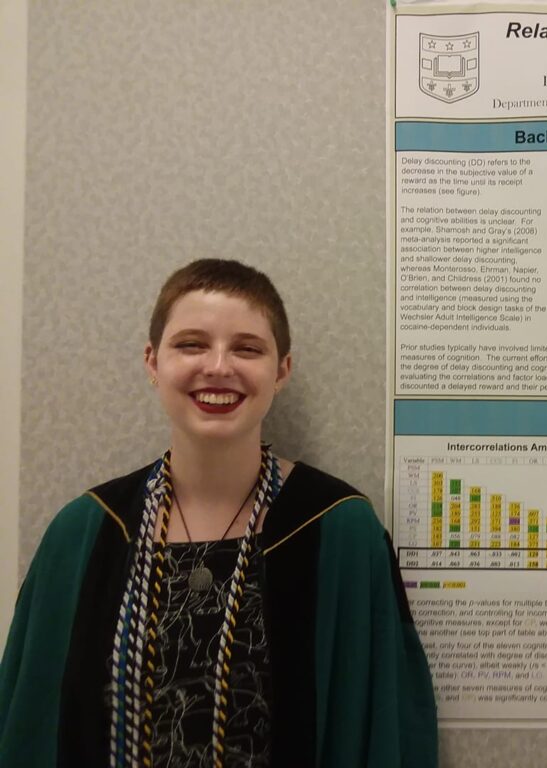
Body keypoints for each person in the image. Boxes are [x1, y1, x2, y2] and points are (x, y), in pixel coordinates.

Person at [0, 259, 438, 767]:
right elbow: (30, 725)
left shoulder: (336, 528)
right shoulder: (86, 532)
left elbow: (384, 728)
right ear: (152, 361)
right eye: (191, 344)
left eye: (247, 348)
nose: (218, 366)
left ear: (282, 371)